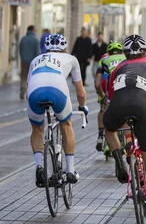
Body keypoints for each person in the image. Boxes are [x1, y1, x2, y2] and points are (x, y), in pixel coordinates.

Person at [104, 34, 146, 221]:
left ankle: (121, 163)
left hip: (118, 105)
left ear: (124, 53)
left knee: (109, 129)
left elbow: (109, 101)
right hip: (142, 106)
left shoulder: (117, 69)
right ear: (145, 51)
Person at [27, 34, 88, 187]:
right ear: (64, 48)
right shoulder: (71, 59)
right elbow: (80, 92)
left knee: (37, 129)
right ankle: (70, 170)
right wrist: (82, 107)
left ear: (46, 48)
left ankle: (39, 167)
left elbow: (28, 91)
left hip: (35, 91)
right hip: (58, 89)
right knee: (66, 124)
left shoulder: (36, 60)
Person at [94, 42, 126, 153]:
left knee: (104, 109)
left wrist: (102, 96)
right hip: (124, 85)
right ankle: (128, 139)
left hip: (106, 84)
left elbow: (97, 84)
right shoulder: (126, 57)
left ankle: (101, 135)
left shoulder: (104, 58)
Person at [19, 25, 40, 100]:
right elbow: (37, 52)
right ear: (33, 30)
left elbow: (20, 50)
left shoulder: (23, 39)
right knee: (31, 78)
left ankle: (23, 89)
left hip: (24, 61)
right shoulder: (35, 40)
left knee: (23, 77)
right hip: (33, 62)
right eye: (35, 30)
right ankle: (29, 93)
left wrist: (22, 58)